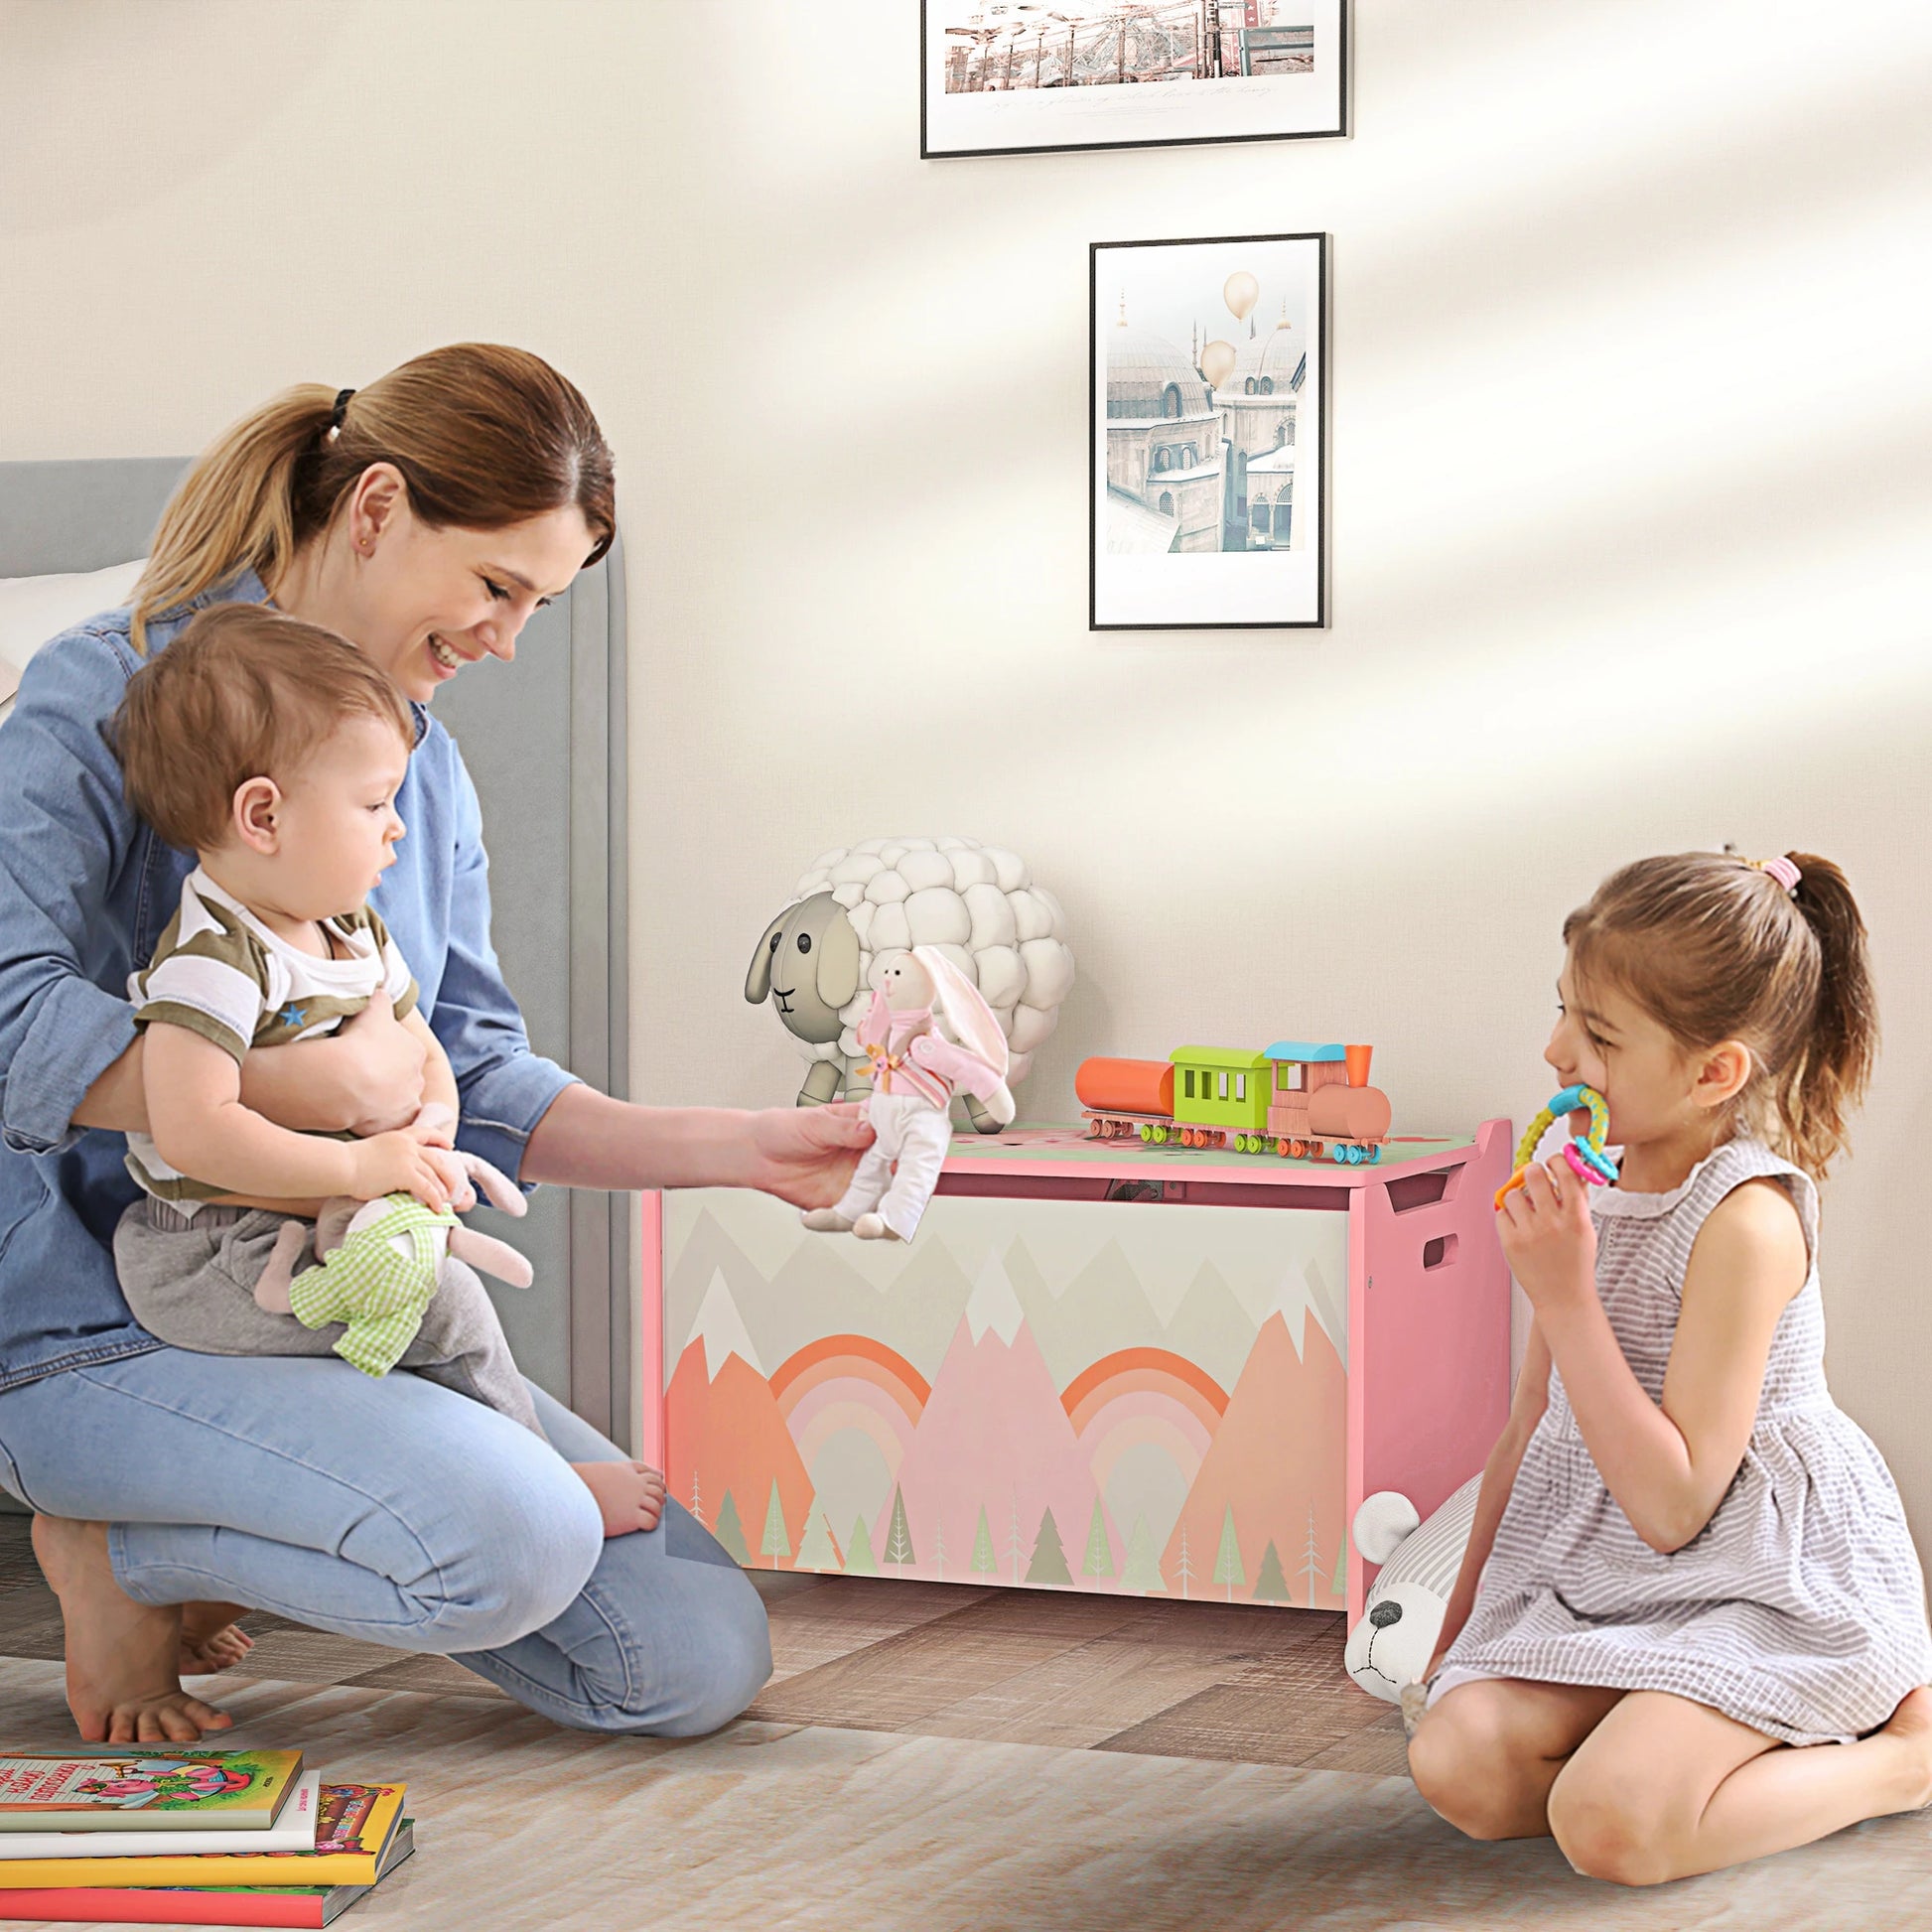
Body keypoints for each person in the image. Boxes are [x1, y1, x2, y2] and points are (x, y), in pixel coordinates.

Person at [0, 344, 872, 1747]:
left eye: (541, 602)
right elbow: (6, 1009)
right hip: (105, 1326)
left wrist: (744, 1149)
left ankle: (183, 1546)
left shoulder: (423, 768)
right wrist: (277, 1082)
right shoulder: (102, 696)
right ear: (377, 508)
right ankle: (115, 1548)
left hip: (334, 1298)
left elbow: (477, 1066)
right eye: (498, 586)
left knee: (689, 1657)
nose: (510, 637)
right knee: (514, 1540)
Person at [1407, 850, 1932, 1886]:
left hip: (1749, 1579)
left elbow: (1676, 1505)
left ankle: (1901, 1761)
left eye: (1597, 1034)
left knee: (1608, 1828)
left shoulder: (1744, 1219)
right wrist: (1457, 1626)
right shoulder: (1580, 1183)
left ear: (1711, 1072)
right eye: (1562, 1010)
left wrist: (1562, 1293)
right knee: (1455, 1763)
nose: (1554, 1051)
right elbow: (1529, 1424)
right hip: (1595, 1580)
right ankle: (1681, 1736)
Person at [108, 603, 662, 1537]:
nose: (399, 832)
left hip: (325, 1218)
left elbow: (419, 1042)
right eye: (374, 806)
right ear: (264, 815)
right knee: (443, 1309)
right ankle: (541, 1486)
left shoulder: (348, 926)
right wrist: (361, 1168)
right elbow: (192, 1125)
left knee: (428, 1298)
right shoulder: (211, 959)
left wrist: (430, 1123)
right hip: (207, 1251)